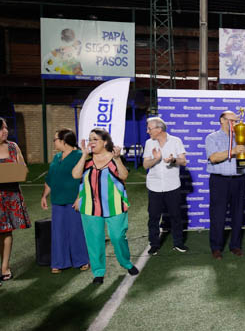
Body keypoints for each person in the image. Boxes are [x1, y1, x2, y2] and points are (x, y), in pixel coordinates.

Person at [72, 128, 138, 285]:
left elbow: (124, 176)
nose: (91, 142)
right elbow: (75, 175)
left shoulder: (114, 158)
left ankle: (126, 262)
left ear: (105, 142)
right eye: (90, 139)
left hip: (114, 205)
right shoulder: (87, 160)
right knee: (94, 241)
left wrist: (117, 159)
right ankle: (99, 272)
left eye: (95, 139)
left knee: (117, 236)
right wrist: (83, 155)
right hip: (90, 207)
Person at [41, 128, 89, 273]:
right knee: (58, 233)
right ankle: (59, 262)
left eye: (55, 139)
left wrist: (79, 198)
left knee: (76, 231)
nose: (54, 142)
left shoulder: (80, 155)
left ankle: (82, 260)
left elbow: (86, 180)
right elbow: (50, 179)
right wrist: (44, 196)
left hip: (73, 200)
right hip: (57, 200)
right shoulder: (56, 158)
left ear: (63, 141)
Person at [205, 110, 245, 259]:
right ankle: (216, 247)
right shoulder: (212, 138)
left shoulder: (240, 137)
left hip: (238, 180)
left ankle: (235, 246)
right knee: (218, 215)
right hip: (220, 181)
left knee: (238, 214)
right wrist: (233, 151)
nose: (235, 124)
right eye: (232, 121)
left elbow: (243, 159)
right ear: (222, 121)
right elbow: (213, 158)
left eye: (236, 121)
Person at [143, 117, 188, 255]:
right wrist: (156, 159)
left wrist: (173, 159)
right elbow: (145, 165)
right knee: (154, 217)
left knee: (175, 216)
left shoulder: (176, 141)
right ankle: (154, 244)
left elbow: (183, 162)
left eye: (149, 128)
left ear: (159, 129)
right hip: (154, 186)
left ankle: (178, 243)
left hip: (172, 185)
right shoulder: (149, 143)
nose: (147, 131)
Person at [0, 117, 31, 282]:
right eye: (1, 129)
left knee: (6, 231)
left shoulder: (13, 147)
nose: (5, 131)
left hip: (10, 195)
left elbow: (23, 169)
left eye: (6, 128)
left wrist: (15, 171)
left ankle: (5, 267)